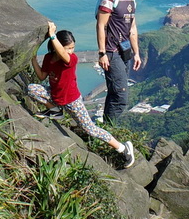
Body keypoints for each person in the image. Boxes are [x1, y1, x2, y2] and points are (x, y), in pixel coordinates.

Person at [28, 21, 136, 169]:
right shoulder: (48, 59)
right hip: (55, 97)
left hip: (72, 101)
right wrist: (33, 60)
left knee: (90, 129)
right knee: (32, 89)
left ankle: (123, 149)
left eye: (73, 48)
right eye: (68, 48)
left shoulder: (71, 59)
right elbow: (41, 76)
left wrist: (52, 35)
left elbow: (63, 56)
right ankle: (54, 110)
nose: (71, 51)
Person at [96, 0, 142, 122]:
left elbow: (132, 28)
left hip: (125, 51)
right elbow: (101, 25)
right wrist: (102, 53)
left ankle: (105, 129)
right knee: (121, 97)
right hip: (111, 52)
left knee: (114, 92)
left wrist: (136, 53)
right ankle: (109, 131)